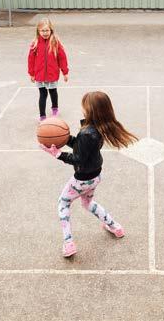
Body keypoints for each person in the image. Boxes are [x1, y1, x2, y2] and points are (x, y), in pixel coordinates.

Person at [40, 91, 138, 257]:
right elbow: (82, 148)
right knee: (87, 203)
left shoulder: (87, 133)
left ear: (91, 110)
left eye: (84, 106)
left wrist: (58, 154)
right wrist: (65, 139)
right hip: (95, 177)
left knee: (63, 204)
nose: (82, 109)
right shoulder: (99, 128)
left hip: (82, 180)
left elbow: (78, 158)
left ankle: (69, 242)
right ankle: (115, 227)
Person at [27, 18, 69, 121]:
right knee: (42, 94)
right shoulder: (35, 43)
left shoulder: (55, 42)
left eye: (47, 30)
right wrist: (31, 73)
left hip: (52, 74)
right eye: (42, 31)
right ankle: (42, 115)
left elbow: (62, 58)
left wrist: (65, 72)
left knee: (53, 92)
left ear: (51, 30)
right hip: (39, 75)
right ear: (38, 31)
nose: (45, 33)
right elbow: (30, 59)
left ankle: (55, 108)